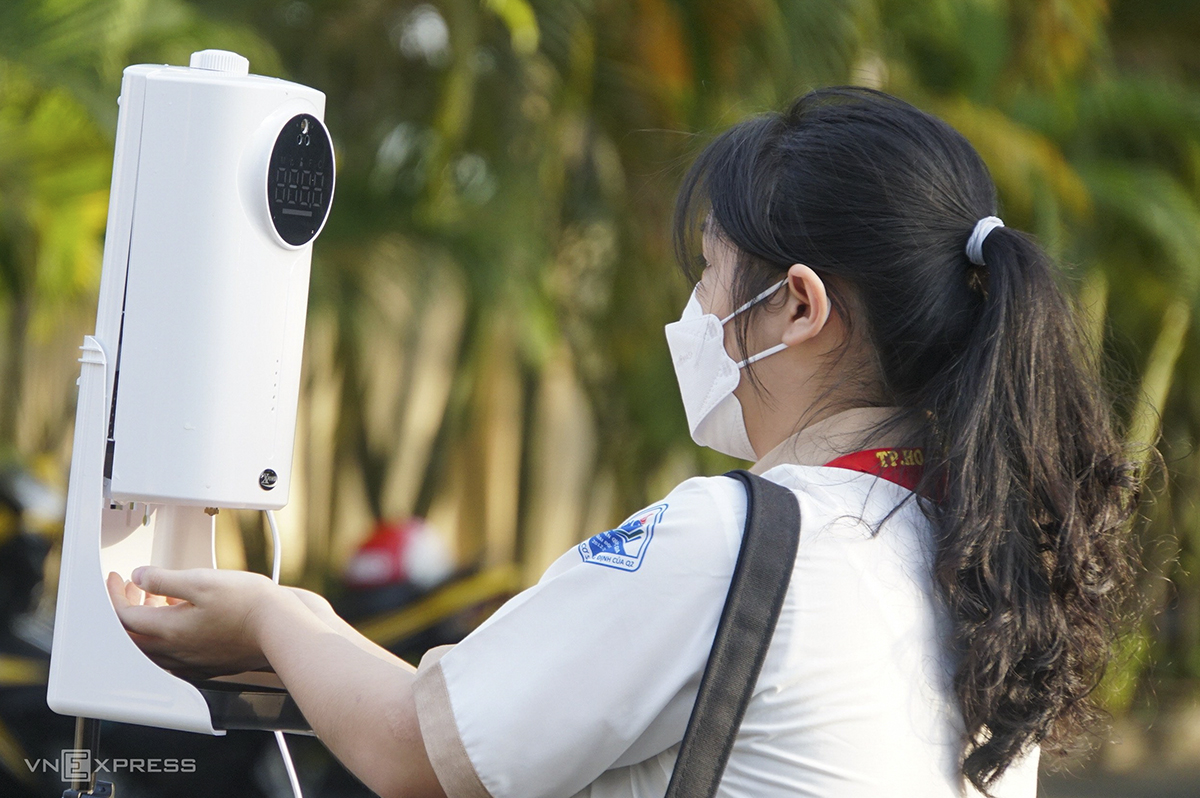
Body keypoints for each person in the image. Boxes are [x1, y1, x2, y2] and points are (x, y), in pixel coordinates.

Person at [104, 87, 1140, 798]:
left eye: (709, 270)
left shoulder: (736, 542)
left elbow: (413, 750)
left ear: (798, 307)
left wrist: (281, 615)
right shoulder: (982, 566)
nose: (692, 307)